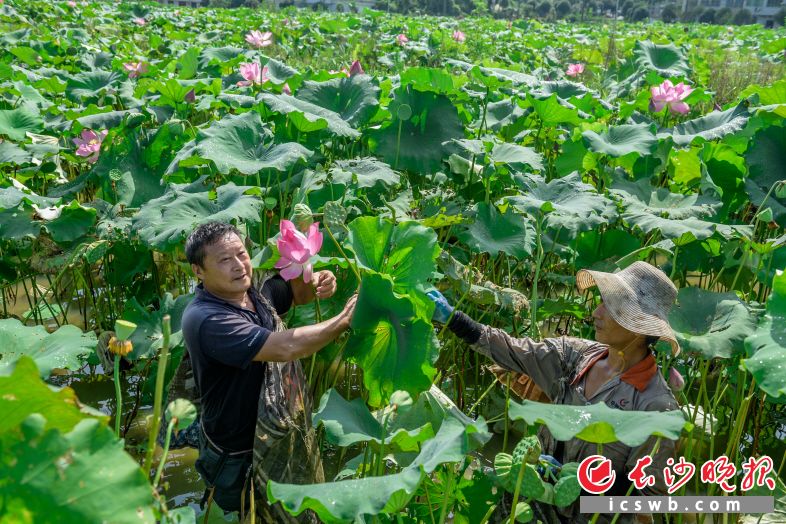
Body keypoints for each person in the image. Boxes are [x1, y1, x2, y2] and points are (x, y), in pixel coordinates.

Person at [427, 261, 681, 524]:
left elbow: (649, 502)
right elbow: (514, 350)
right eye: (601, 302)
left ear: (638, 327)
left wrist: (582, 484)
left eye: (611, 306)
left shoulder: (655, 406)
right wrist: (456, 320)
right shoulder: (575, 355)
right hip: (527, 504)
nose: (596, 312)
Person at [180, 221, 356, 521]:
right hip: (236, 454)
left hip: (276, 438)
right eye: (225, 260)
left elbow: (295, 293)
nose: (239, 266)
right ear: (198, 270)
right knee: (245, 515)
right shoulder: (206, 318)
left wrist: (320, 280)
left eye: (241, 254)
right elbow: (283, 347)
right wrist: (343, 320)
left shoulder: (255, 293)